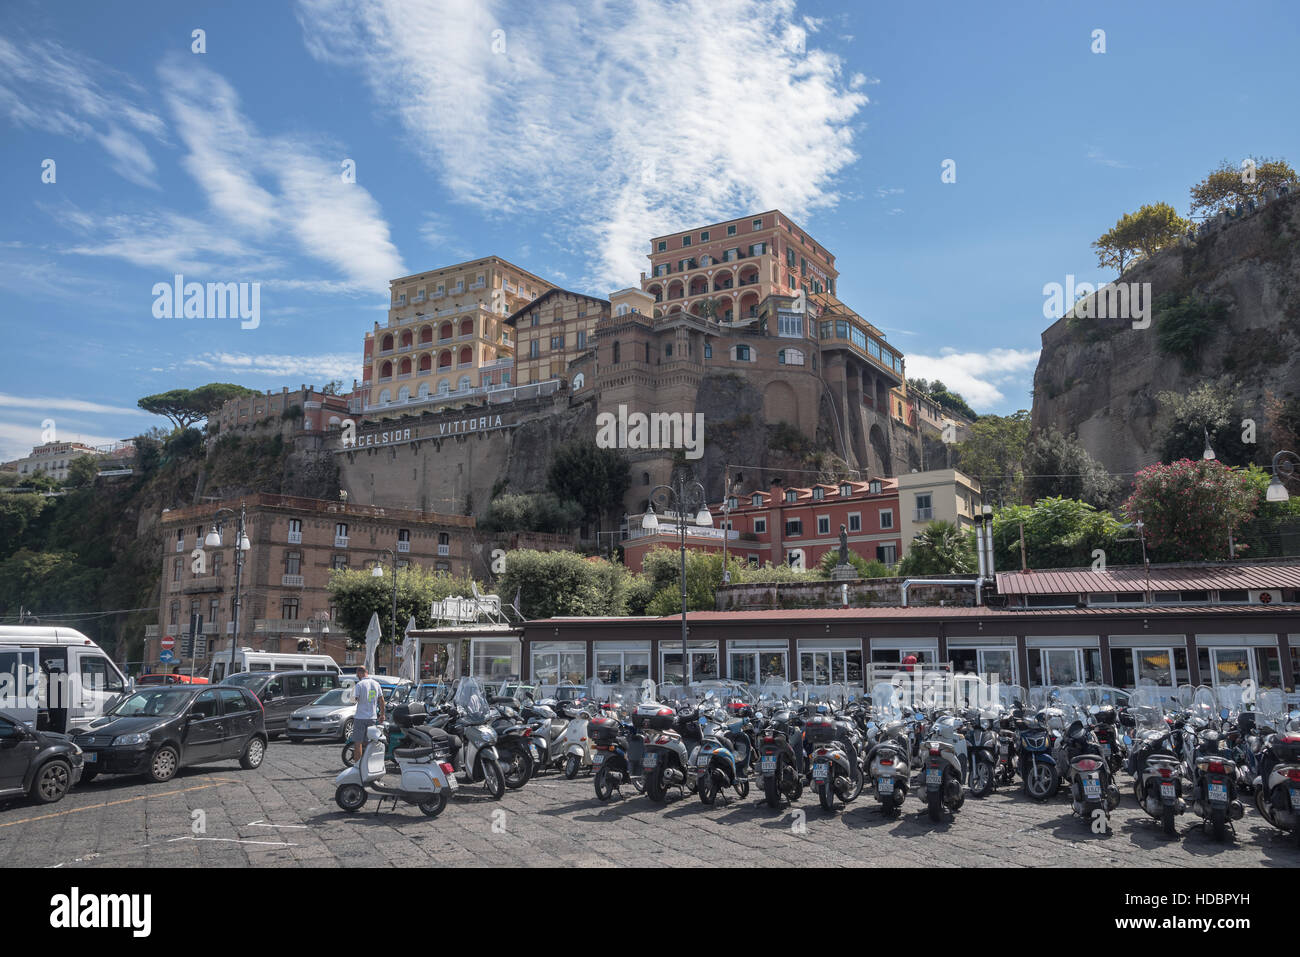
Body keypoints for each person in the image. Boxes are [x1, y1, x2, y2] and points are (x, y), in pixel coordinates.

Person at [351, 665, 385, 756]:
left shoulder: (359, 685)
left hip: (360, 717)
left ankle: (358, 765)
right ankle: (368, 763)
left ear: (360, 673)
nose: (357, 676)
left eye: (357, 674)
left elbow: (354, 699)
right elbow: (381, 700)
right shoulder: (376, 684)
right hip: (372, 718)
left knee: (358, 743)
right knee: (369, 742)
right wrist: (382, 715)